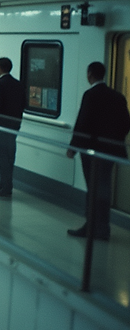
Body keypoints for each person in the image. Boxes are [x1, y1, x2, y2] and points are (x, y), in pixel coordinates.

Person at [66, 62, 130, 241]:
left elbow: (83, 123)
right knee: (104, 188)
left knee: (93, 189)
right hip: (110, 152)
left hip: (92, 151)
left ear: (90, 74)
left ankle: (92, 227)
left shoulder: (90, 95)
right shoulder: (118, 96)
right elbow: (126, 123)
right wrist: (113, 141)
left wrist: (73, 148)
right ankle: (102, 228)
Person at [0, 57, 26, 198]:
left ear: (0, 68)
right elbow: (23, 105)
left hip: (1, 126)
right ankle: (4, 182)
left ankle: (6, 187)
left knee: (2, 156)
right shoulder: (19, 84)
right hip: (14, 125)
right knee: (9, 156)